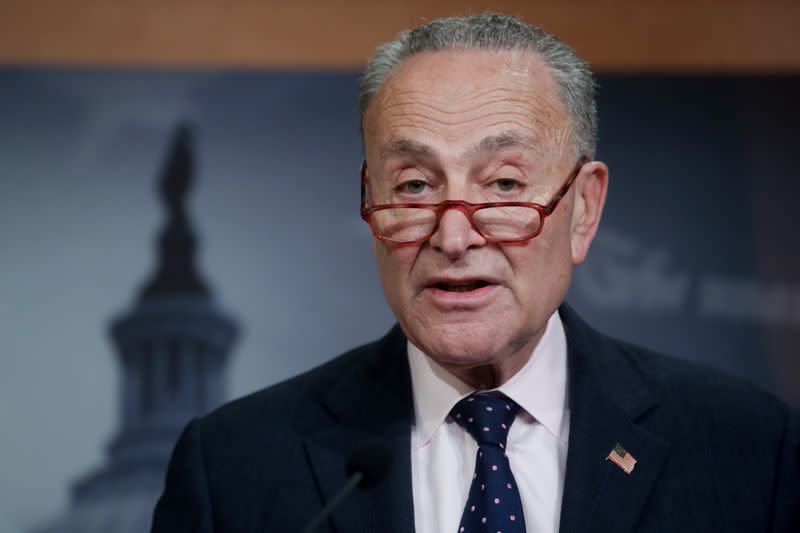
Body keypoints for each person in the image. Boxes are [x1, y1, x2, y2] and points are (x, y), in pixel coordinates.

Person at [151, 13, 799, 533]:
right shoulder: (236, 467)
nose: (453, 235)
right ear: (368, 202)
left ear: (584, 209)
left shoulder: (748, 450)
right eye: (412, 186)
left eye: (504, 183)